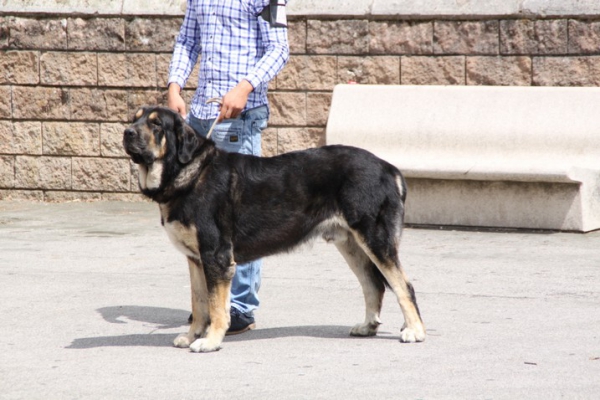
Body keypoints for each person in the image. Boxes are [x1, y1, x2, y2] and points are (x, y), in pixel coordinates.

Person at [167, 0, 289, 335]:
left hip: (240, 114)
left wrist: (245, 87)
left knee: (240, 214)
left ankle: (240, 308)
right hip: (200, 114)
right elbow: (188, 39)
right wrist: (175, 85)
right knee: (202, 221)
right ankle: (210, 306)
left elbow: (279, 49)